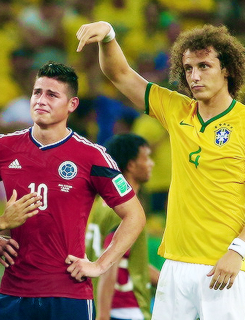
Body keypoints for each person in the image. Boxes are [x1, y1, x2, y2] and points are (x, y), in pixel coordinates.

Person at [76, 22, 245, 320]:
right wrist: (109, 35)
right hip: (175, 263)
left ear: (228, 69)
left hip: (226, 265)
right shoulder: (176, 109)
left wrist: (238, 250)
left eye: (205, 66)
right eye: (189, 67)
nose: (195, 75)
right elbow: (120, 74)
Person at [0, 61, 146, 320]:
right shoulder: (5, 147)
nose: (41, 101)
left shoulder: (92, 156)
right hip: (12, 294)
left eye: (52, 95)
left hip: (68, 294)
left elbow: (135, 215)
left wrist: (100, 265)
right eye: (37, 92)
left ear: (72, 105)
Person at [86, 133, 159, 320]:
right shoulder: (126, 211)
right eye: (146, 158)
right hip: (124, 307)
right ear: (131, 165)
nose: (151, 164)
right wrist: (103, 316)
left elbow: (130, 261)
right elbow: (111, 261)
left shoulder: (101, 204)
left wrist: (167, 282)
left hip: (99, 299)